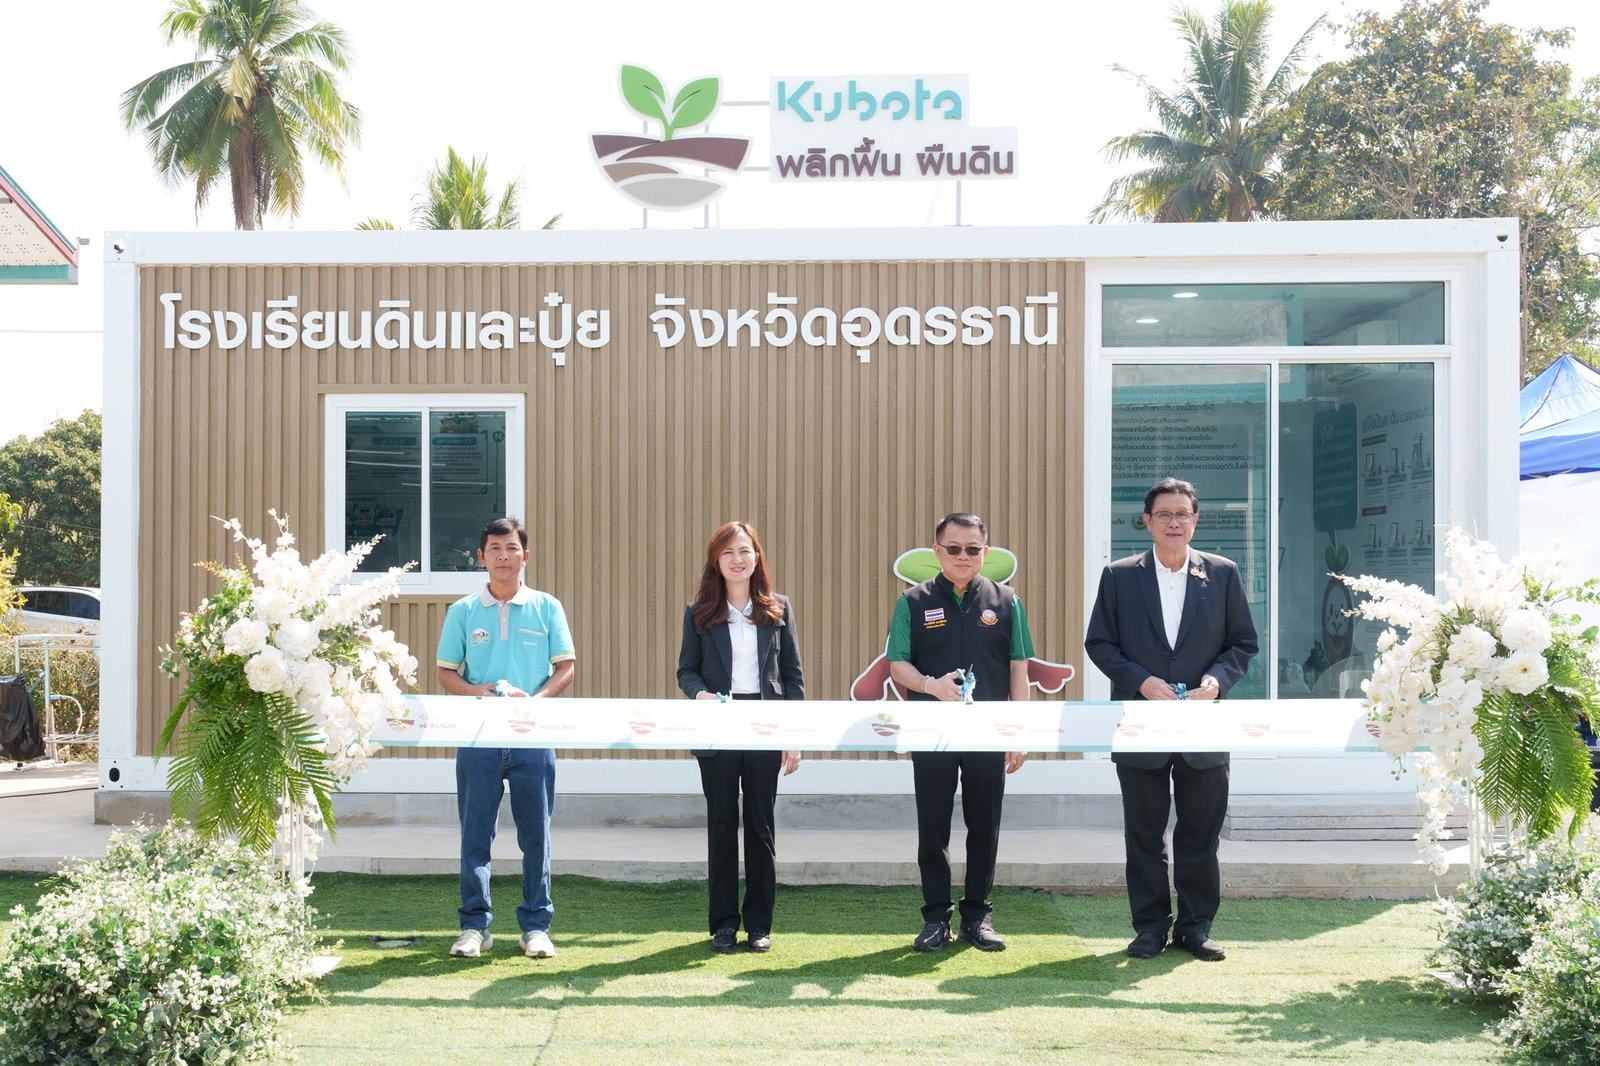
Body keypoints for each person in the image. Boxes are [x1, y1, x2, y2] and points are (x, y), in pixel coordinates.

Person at [1084, 478, 1258, 963]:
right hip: (1141, 725)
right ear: (1147, 521)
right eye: (1164, 514)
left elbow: (1243, 643)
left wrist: (1217, 680)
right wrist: (1141, 681)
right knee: (1144, 835)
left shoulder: (1222, 573)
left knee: (1200, 835)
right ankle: (1150, 928)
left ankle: (1195, 928)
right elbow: (1099, 643)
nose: (1174, 522)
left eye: (1183, 514)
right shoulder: (1120, 576)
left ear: (1196, 521)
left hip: (1204, 726)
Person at [885, 512, 1032, 953]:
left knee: (984, 825)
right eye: (953, 548)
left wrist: (1018, 732)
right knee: (933, 827)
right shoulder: (913, 601)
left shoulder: (1007, 601)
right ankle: (936, 919)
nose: (962, 556)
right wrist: (931, 686)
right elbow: (898, 665)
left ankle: (977, 917)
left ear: (985, 552)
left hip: (987, 735)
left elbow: (1018, 670)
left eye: (972, 549)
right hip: (932, 732)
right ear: (938, 551)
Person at [436, 516, 576, 960]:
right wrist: (476, 691)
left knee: (536, 835)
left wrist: (536, 702)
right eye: (494, 548)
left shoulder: (547, 607)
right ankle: (474, 927)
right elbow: (446, 672)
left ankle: (536, 926)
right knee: (475, 835)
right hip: (478, 738)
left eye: (511, 548)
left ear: (525, 556)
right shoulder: (462, 612)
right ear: (481, 557)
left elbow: (565, 667)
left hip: (532, 738)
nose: (503, 556)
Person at [676, 521, 805, 953]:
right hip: (718, 726)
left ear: (756, 557)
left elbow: (792, 677)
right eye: (728, 552)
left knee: (760, 824)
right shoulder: (699, 612)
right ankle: (724, 924)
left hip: (764, 725)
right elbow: (686, 670)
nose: (737, 559)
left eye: (745, 551)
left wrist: (793, 735)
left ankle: (760, 925)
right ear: (716, 560)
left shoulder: (777, 608)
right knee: (721, 824)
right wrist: (701, 694)